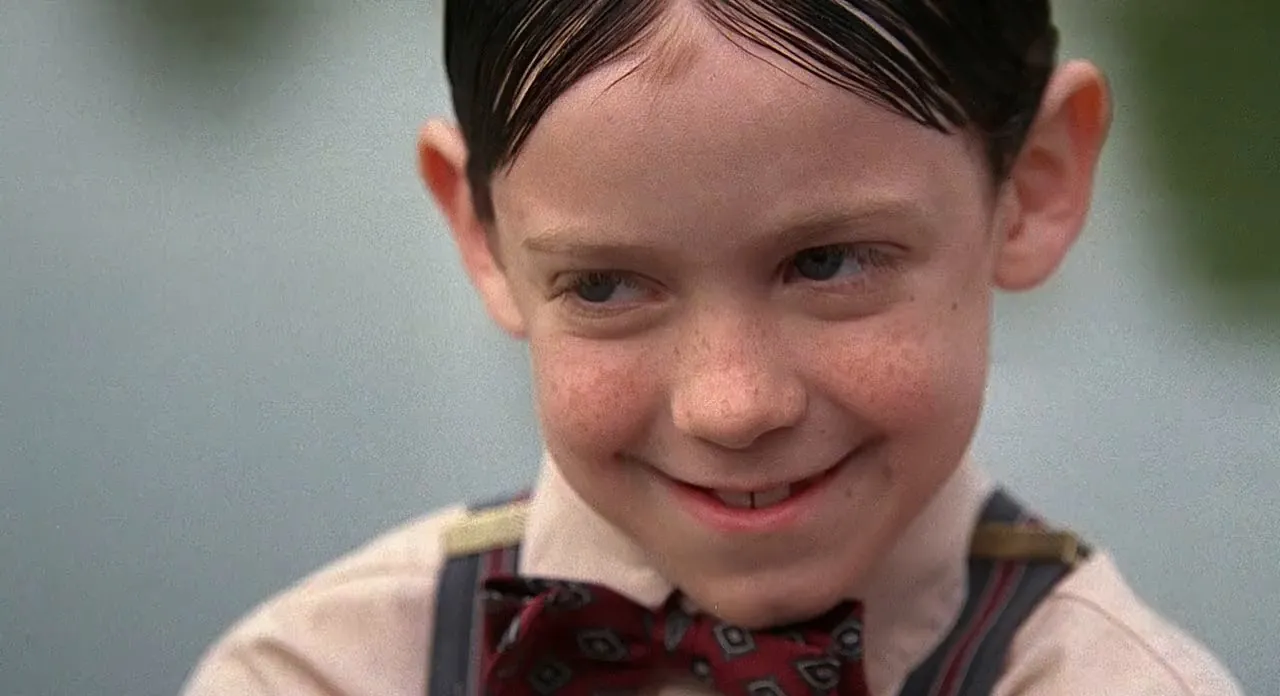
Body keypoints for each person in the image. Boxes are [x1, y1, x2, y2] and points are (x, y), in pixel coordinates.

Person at [182, 1, 1243, 694]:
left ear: (1035, 183)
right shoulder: (316, 674)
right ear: (481, 235)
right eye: (604, 284)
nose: (731, 406)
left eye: (827, 263)